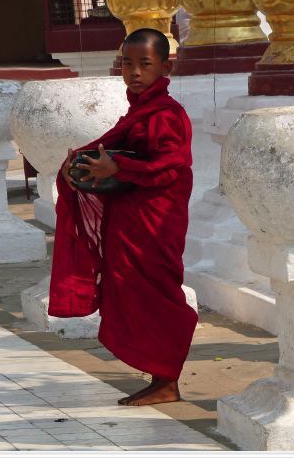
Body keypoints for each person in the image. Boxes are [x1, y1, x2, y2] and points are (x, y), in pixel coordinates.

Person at [48, 28, 198, 406]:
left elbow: (171, 166)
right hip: (129, 219)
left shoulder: (167, 114)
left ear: (165, 66)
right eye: (127, 63)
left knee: (157, 295)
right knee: (127, 288)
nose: (134, 72)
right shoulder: (138, 112)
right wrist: (80, 167)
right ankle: (160, 377)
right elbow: (116, 154)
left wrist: (116, 168)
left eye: (144, 64)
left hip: (154, 222)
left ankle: (167, 380)